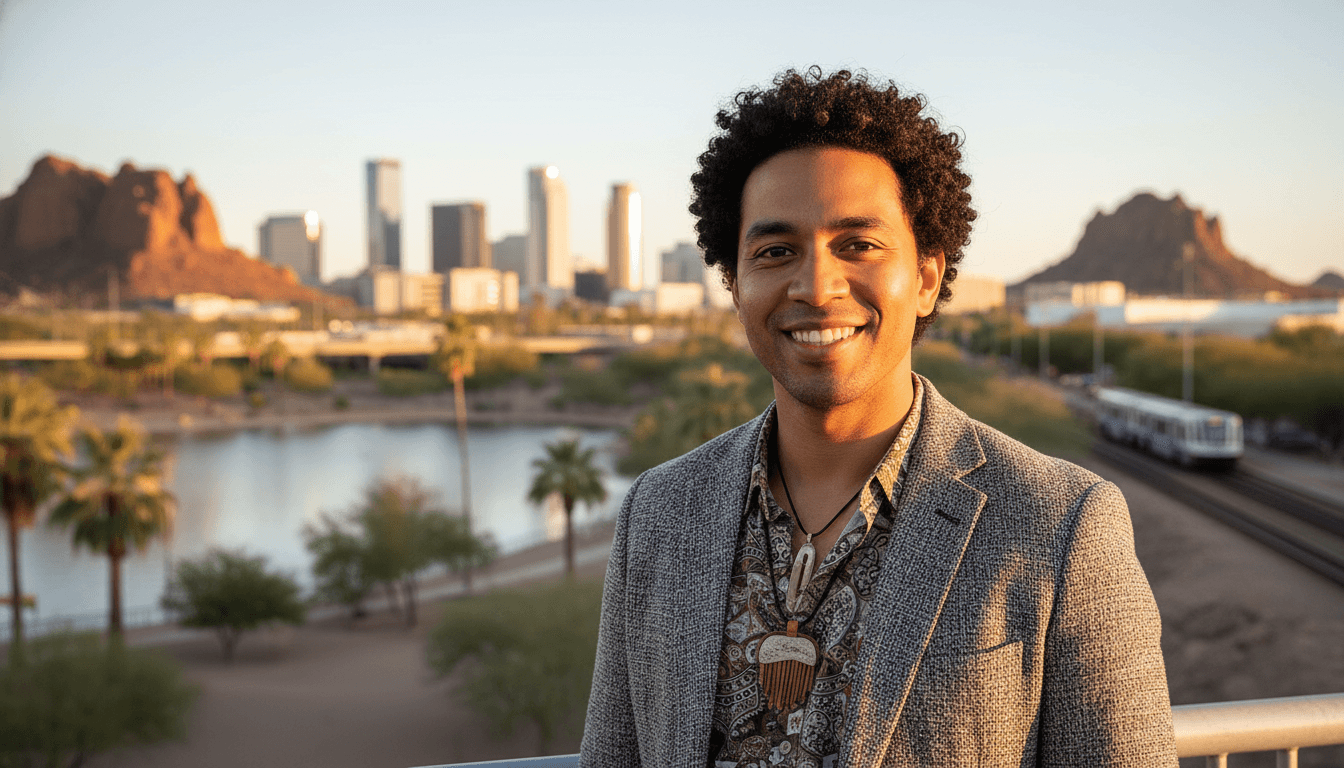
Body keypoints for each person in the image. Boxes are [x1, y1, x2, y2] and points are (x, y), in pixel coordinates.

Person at [580, 68, 1177, 768]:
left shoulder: (1063, 527)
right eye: (776, 252)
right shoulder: (658, 513)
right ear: (734, 285)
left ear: (925, 278)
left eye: (857, 245)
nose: (816, 286)